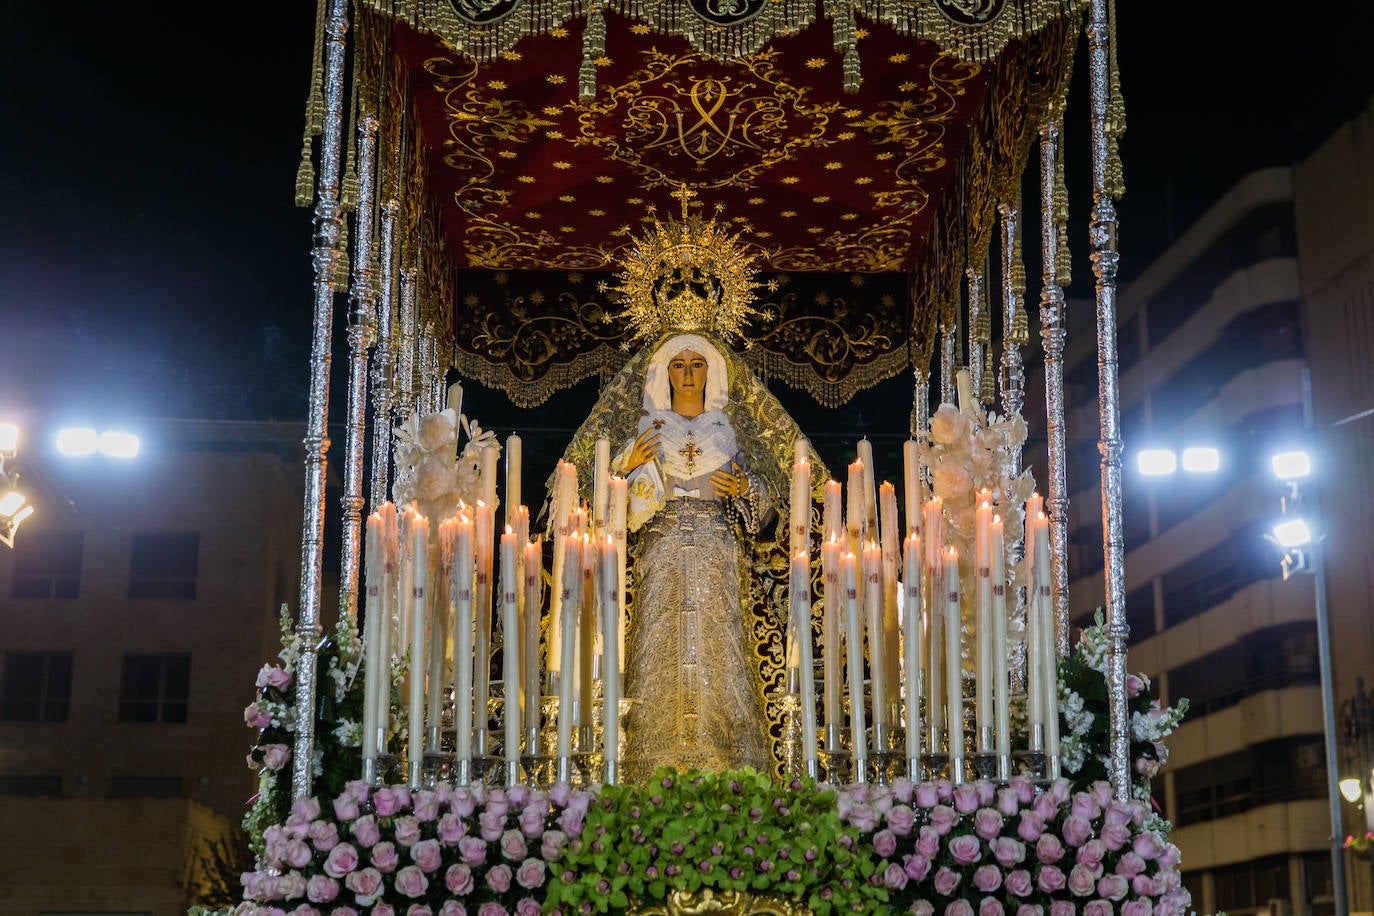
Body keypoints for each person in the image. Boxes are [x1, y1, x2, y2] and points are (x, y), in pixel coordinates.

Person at [613, 332, 774, 778]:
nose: (687, 374)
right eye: (679, 364)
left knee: (719, 650)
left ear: (712, 372)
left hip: (715, 554)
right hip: (661, 552)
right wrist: (623, 471)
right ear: (665, 372)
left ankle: (727, 764)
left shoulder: (727, 434)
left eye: (697, 364)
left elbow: (765, 512)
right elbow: (610, 511)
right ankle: (650, 764)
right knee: (657, 646)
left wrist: (745, 489)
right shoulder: (648, 433)